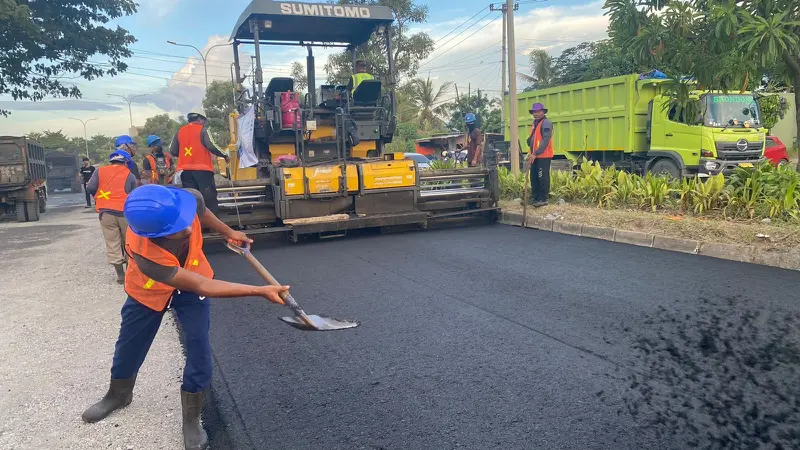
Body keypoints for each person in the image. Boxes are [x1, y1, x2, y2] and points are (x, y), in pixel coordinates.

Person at [80, 184, 289, 450]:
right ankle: (118, 394)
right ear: (156, 236)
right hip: (149, 289)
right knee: (130, 343)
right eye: (178, 229)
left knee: (198, 346)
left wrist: (229, 231)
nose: (189, 229)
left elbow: (201, 212)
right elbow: (202, 286)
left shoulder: (186, 200)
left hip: (194, 273)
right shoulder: (147, 255)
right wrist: (260, 291)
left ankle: (191, 418)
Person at [86, 150, 138, 283]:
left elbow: (90, 187)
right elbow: (134, 194)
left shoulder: (99, 171)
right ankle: (130, 273)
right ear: (126, 162)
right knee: (128, 242)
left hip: (106, 213)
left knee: (112, 242)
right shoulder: (129, 174)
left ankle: (120, 275)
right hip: (125, 213)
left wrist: (97, 198)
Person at [170, 109, 229, 213]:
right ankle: (212, 226)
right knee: (209, 200)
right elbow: (211, 145)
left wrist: (186, 155)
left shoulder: (179, 132)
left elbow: (173, 151)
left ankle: (196, 227)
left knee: (192, 200)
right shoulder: (204, 130)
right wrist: (224, 155)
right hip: (203, 171)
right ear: (201, 119)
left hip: (185, 172)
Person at [526, 103, 554, 207]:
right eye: (534, 112)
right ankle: (535, 198)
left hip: (543, 156)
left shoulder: (546, 123)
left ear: (543, 112)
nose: (536, 114)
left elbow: (546, 140)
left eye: (538, 112)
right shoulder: (534, 123)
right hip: (534, 155)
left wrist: (535, 153)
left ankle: (543, 198)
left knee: (542, 177)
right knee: (534, 177)